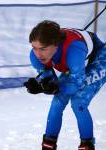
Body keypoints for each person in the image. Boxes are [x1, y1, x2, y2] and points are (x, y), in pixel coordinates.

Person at [24, 20, 106, 150]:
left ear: (55, 45)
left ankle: (87, 145)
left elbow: (76, 83)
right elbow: (50, 82)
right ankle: (48, 144)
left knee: (78, 102)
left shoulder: (74, 51)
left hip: (100, 57)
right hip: (77, 62)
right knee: (57, 101)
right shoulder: (35, 57)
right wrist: (41, 87)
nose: (38, 54)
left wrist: (56, 87)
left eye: (43, 49)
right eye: (34, 47)